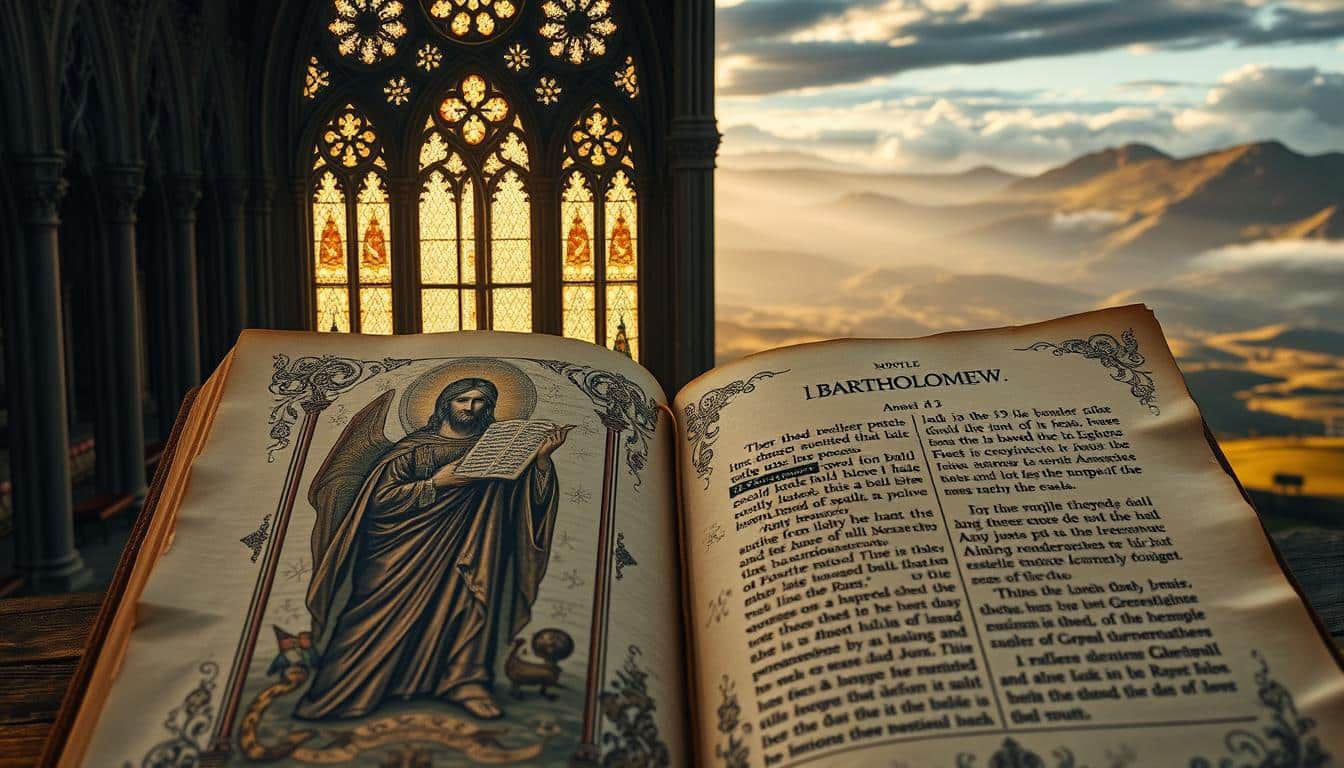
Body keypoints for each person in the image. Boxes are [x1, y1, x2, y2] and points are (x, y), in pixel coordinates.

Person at [296, 377, 570, 721]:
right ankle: (340, 690)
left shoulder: (497, 446)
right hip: (398, 553)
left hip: (473, 549)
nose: (471, 408)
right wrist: (437, 483)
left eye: (480, 402)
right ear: (445, 404)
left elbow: (525, 503)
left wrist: (541, 462)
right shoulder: (413, 448)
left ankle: (463, 681)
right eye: (463, 400)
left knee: (469, 606)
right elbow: (379, 502)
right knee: (373, 616)